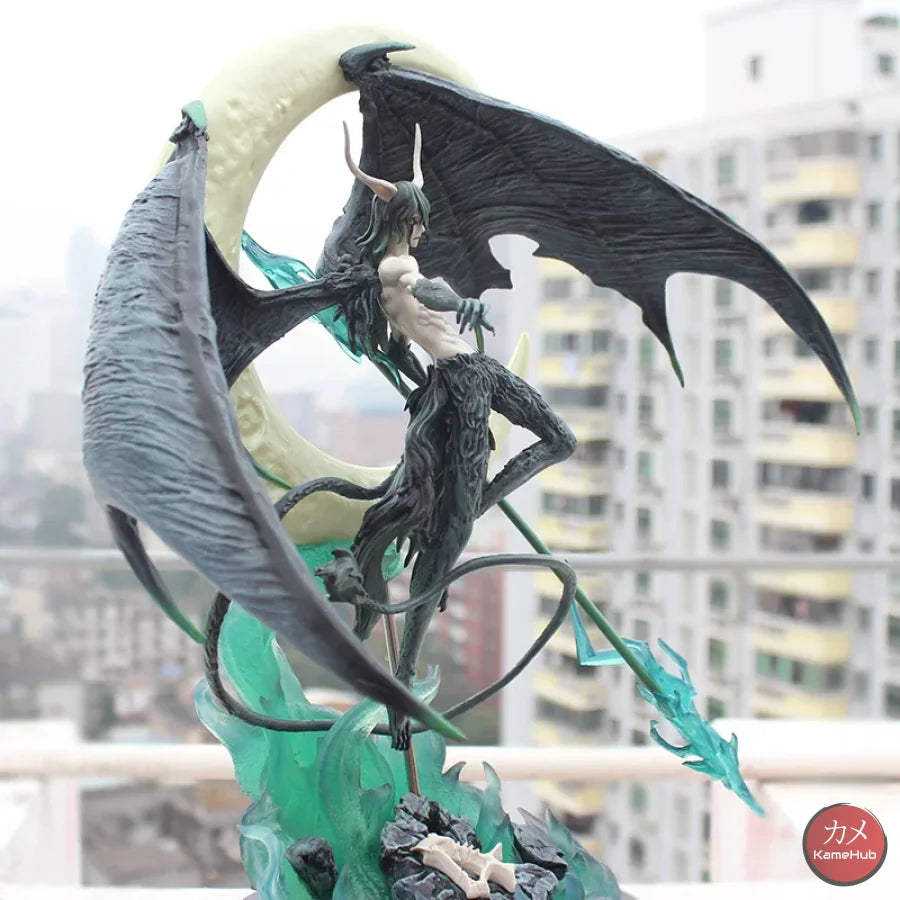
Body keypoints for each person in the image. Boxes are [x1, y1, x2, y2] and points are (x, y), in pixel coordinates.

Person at [321, 124, 576, 749]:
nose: (424, 230)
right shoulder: (396, 266)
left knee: (559, 440)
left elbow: (406, 328)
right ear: (406, 219)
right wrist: (462, 303)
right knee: (446, 547)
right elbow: (423, 288)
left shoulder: (389, 273)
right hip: (463, 382)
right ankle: (403, 678)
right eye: (419, 221)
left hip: (471, 374)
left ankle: (471, 504)